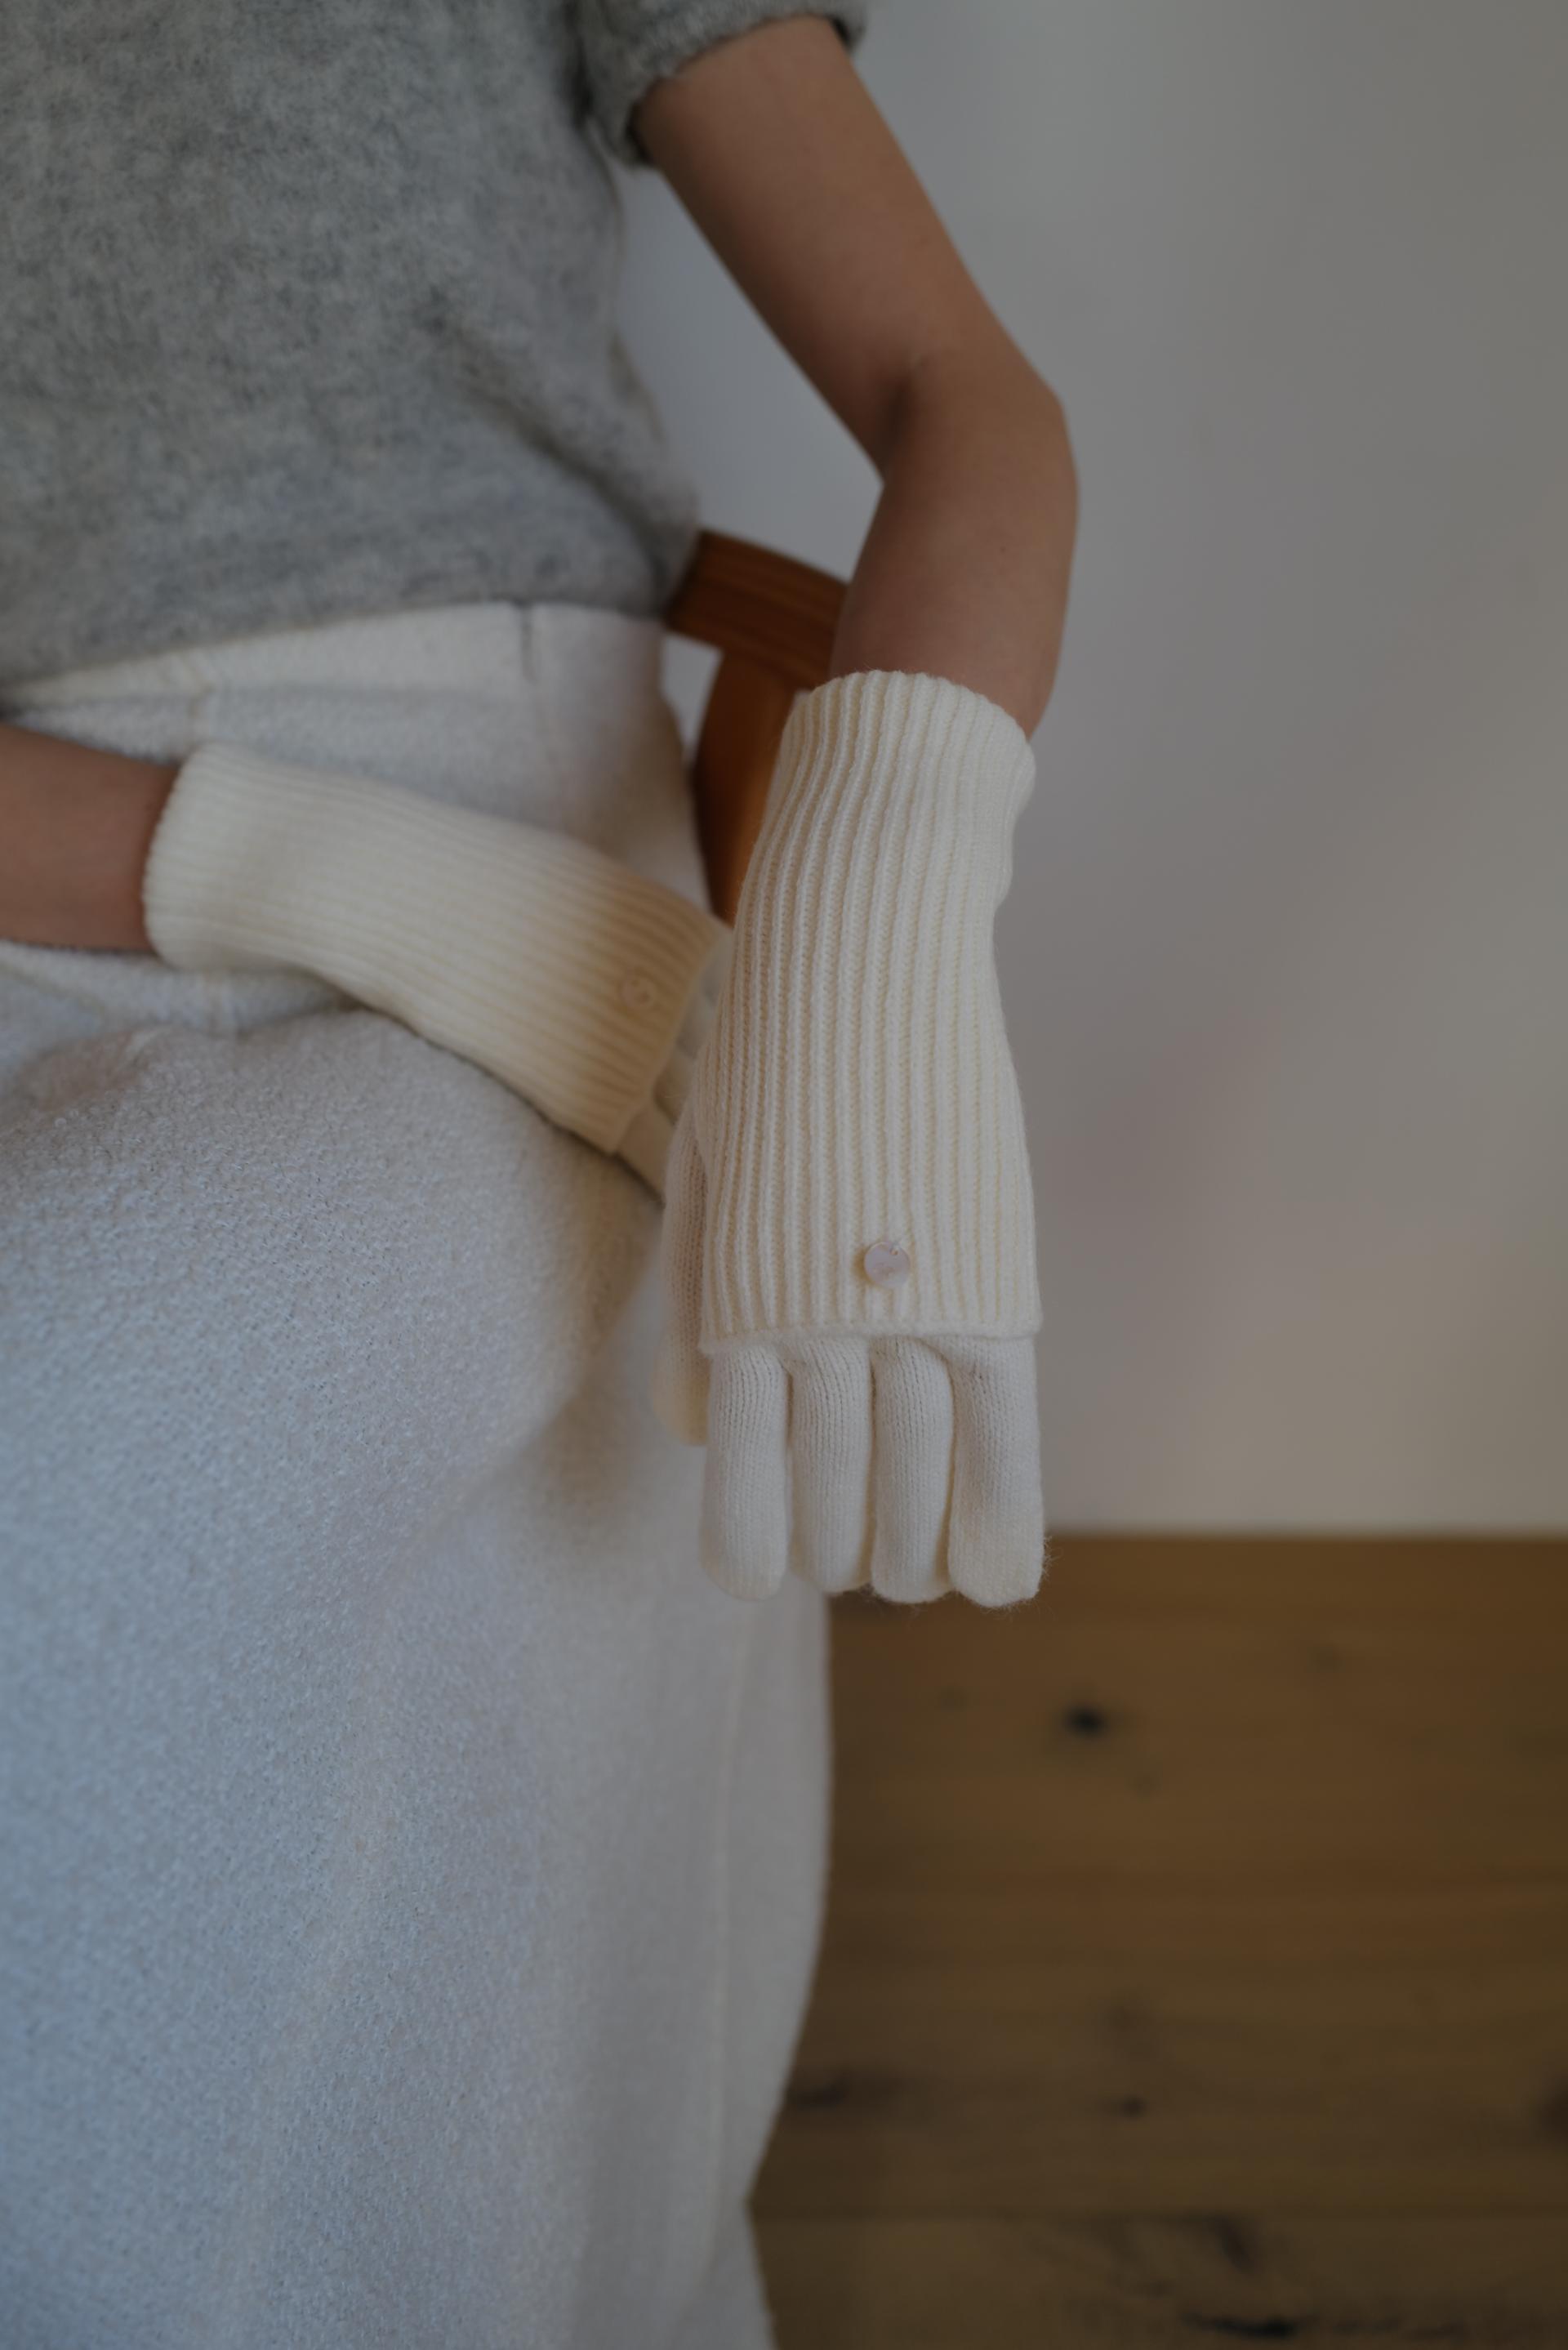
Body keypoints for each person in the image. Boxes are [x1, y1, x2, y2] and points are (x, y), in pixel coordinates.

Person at [0, 5, 1077, 2342]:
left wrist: (878, 902)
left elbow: (964, 400)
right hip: (46, 863)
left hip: (522, 792)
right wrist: (338, 881)